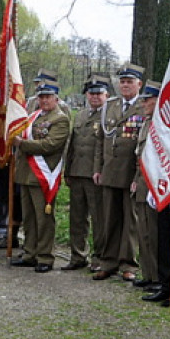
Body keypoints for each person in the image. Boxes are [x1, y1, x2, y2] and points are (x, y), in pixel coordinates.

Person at [11, 76, 69, 273]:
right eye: (41, 97)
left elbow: (50, 145)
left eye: (48, 97)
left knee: (43, 219)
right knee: (29, 218)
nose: (44, 100)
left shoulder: (60, 119)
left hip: (44, 176)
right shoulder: (33, 116)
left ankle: (45, 257)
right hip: (26, 174)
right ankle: (30, 253)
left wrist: (22, 144)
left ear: (56, 98)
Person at [92, 63, 145, 281]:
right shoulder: (110, 106)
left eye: (129, 82)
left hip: (131, 173)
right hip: (110, 171)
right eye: (122, 81)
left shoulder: (144, 106)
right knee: (109, 219)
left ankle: (128, 264)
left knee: (130, 222)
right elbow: (100, 141)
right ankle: (108, 261)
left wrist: (138, 177)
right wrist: (98, 168)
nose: (125, 85)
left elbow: (145, 146)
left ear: (138, 84)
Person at [63, 77, 109, 271]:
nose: (95, 97)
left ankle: (99, 257)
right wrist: (68, 171)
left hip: (94, 175)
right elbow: (72, 146)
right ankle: (77, 255)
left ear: (107, 95)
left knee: (98, 218)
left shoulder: (109, 116)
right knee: (77, 218)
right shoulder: (80, 115)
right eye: (91, 93)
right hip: (77, 173)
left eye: (99, 93)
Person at [132, 82, 161, 290]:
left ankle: (159, 277)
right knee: (143, 231)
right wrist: (135, 178)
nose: (143, 103)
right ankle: (148, 274)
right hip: (142, 183)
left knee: (154, 233)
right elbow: (139, 157)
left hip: (155, 186)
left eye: (147, 99)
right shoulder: (146, 123)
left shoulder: (162, 126)